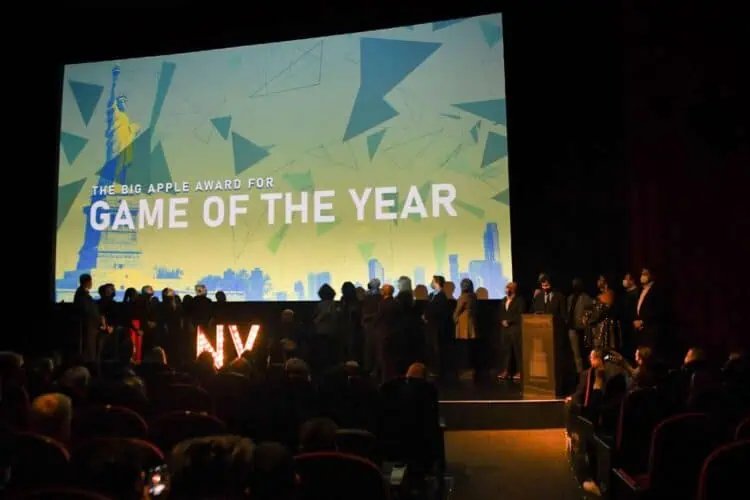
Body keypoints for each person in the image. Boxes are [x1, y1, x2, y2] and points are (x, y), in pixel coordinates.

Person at [423, 275, 451, 379]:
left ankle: (438, 370)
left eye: (433, 281)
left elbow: (439, 311)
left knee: (436, 348)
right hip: (429, 326)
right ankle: (431, 369)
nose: (431, 283)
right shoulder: (431, 295)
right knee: (430, 347)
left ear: (437, 282)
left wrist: (429, 316)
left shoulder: (442, 296)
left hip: (437, 326)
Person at [498, 282, 526, 380]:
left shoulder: (519, 300)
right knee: (507, 351)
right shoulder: (503, 300)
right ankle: (507, 371)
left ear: (514, 289)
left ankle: (520, 372)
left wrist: (509, 321)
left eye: (509, 288)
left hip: (515, 329)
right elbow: (501, 313)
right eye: (506, 288)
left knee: (517, 352)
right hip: (505, 330)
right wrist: (502, 321)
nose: (507, 290)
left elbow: (521, 314)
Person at [567, 278, 593, 373]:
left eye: (577, 284)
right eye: (574, 284)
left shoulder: (586, 298)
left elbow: (590, 311)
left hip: (583, 329)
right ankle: (580, 373)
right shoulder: (570, 298)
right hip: (572, 328)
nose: (575, 286)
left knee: (584, 352)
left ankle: (588, 372)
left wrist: (585, 319)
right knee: (575, 353)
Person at [453, 278, 478, 378]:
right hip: (471, 323)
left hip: (463, 325)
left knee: (464, 349)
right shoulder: (474, 296)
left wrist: (455, 318)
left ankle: (466, 370)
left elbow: (457, 311)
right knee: (470, 348)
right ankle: (470, 369)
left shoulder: (463, 297)